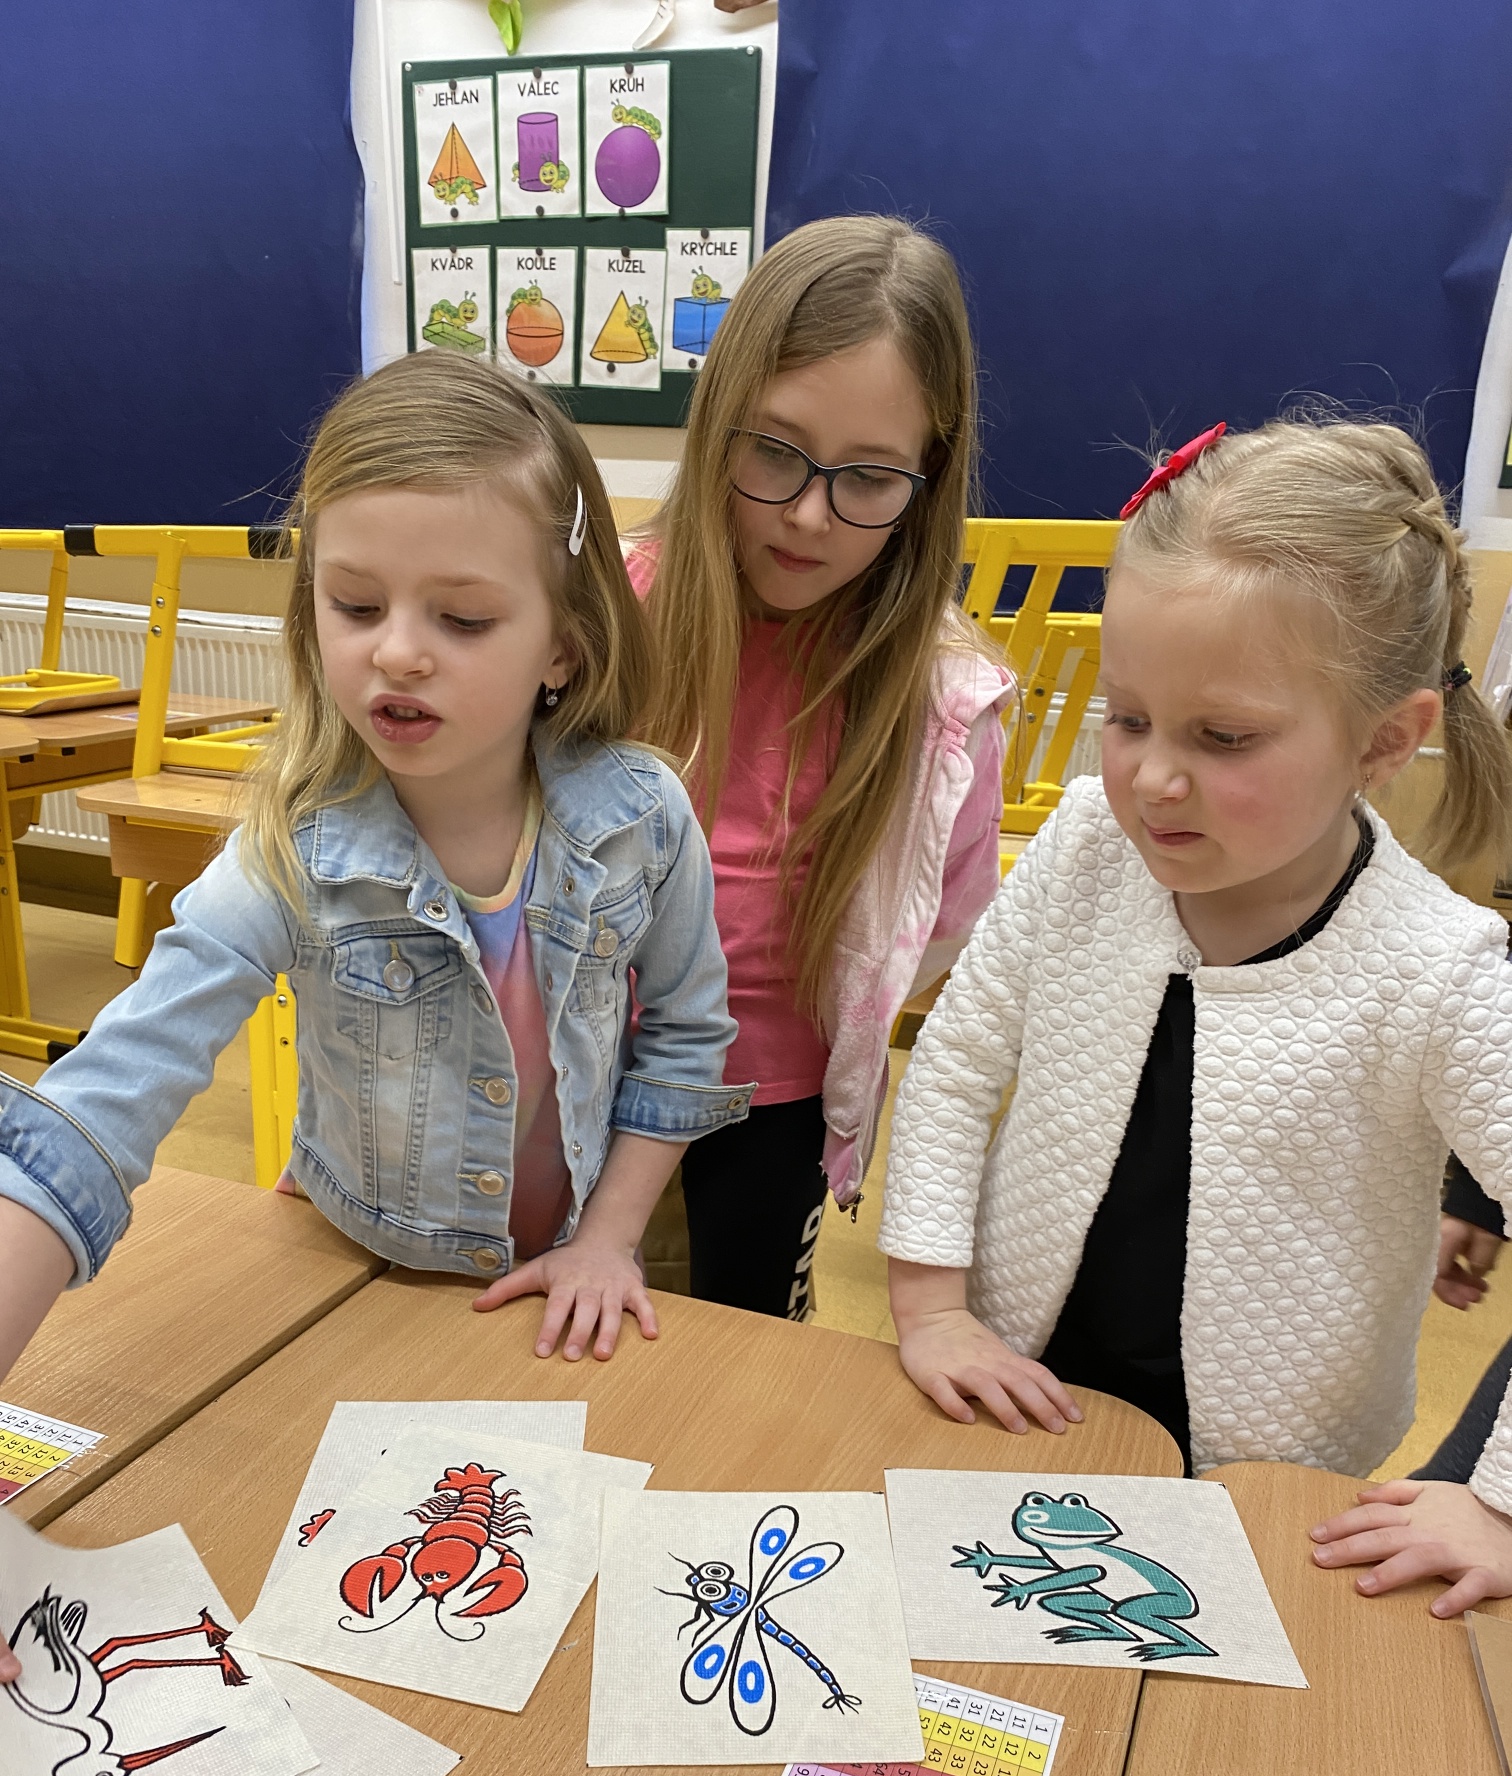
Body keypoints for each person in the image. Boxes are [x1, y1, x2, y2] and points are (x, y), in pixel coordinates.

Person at [0, 352, 749, 1390]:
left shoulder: (643, 817)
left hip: (575, 1263)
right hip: (366, 1260)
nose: (397, 653)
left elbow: (686, 1035)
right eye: (354, 605)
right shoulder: (290, 848)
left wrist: (608, 1238)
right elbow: (117, 1083)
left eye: (464, 619)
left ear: (564, 648)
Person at [879, 415, 1512, 1476]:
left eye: (1223, 738)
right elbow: (956, 1063)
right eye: (1128, 718)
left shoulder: (1438, 969)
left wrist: (1493, 1503)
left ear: (1385, 741)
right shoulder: (1088, 841)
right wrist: (932, 1306)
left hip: (1268, 1470)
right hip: (1013, 1383)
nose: (1154, 781)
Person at [631, 214, 1011, 1320]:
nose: (807, 516)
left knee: (747, 1351)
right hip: (588, 1071)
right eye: (774, 450)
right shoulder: (610, 615)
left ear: (929, 476)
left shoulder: (942, 702)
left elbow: (945, 924)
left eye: (871, 477)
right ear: (718, 419)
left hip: (781, 1102)